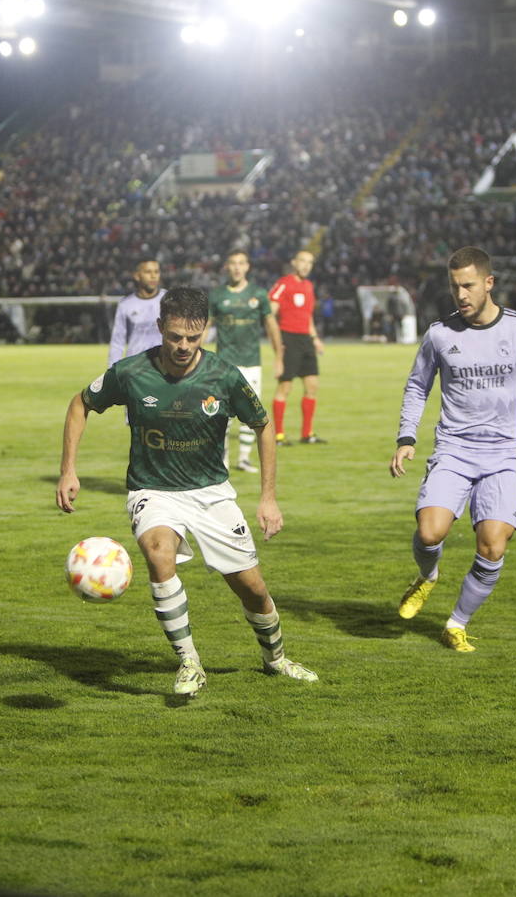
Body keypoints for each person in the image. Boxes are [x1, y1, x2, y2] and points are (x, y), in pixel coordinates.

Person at [57, 286, 317, 697]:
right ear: (160, 327)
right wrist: (68, 470)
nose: (183, 346)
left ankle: (276, 658)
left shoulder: (223, 377)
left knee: (251, 587)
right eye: (175, 336)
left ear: (205, 331)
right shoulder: (130, 373)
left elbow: (263, 426)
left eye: (193, 338)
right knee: (159, 553)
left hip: (211, 492)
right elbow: (80, 404)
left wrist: (267, 497)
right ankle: (190, 662)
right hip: (152, 489)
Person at [388, 247, 516, 652]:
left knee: (491, 544)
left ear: (489, 283)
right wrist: (406, 437)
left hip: (504, 454)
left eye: (469, 285)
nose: (461, 295)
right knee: (429, 531)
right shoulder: (440, 333)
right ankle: (428, 576)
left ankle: (456, 624)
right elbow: (418, 386)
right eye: (455, 287)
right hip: (454, 449)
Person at [209, 250, 282, 474]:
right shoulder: (217, 295)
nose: (237, 267)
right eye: (233, 263)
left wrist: (279, 357)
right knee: (222, 413)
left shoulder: (258, 294)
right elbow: (205, 326)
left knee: (251, 411)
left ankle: (244, 458)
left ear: (248, 267)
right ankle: (222, 462)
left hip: (251, 362)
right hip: (224, 363)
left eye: (241, 263)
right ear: (227, 267)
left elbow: (271, 325)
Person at [268, 249, 325, 444]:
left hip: (305, 340)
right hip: (288, 338)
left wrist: (315, 338)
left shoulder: (308, 286)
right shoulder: (284, 284)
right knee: (285, 386)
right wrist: (277, 344)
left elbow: (307, 315)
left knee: (312, 386)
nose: (306, 265)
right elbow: (270, 314)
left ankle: (307, 434)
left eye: (310, 262)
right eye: (303, 261)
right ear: (294, 262)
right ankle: (279, 435)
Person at [108, 257, 165, 365]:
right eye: (148, 272)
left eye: (156, 272)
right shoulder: (126, 304)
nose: (153, 276)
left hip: (164, 366)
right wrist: (113, 370)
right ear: (137, 276)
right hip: (135, 366)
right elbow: (117, 342)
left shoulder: (169, 299)